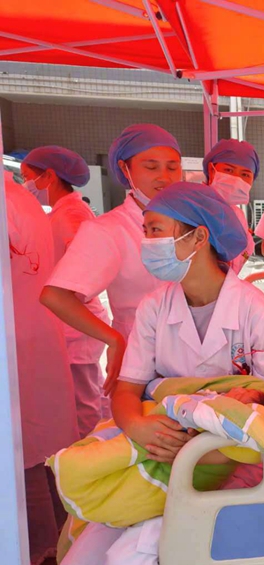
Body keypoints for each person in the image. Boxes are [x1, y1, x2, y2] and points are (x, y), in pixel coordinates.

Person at [57, 183, 264, 565]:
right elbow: (127, 389)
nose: (146, 242)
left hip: (223, 464)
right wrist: (136, 426)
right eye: (145, 231)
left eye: (155, 230)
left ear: (199, 237)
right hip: (154, 451)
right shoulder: (154, 308)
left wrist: (193, 450)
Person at [40, 124, 182, 397]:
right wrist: (113, 338)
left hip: (197, 356)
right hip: (142, 359)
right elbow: (55, 295)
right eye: (151, 167)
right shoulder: (109, 230)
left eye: (172, 167)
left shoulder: (189, 219)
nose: (164, 177)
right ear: (125, 169)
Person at [5, 172, 79, 565]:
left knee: (29, 447)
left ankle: (34, 553)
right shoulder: (22, 198)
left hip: (24, 336)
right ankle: (48, 541)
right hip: (37, 331)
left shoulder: (13, 201)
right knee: (37, 444)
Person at [22, 146, 112, 435]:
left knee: (85, 401)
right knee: (83, 395)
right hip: (69, 321)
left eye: (28, 177)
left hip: (77, 324)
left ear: (49, 176)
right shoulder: (61, 211)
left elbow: (87, 262)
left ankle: (88, 453)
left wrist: (69, 292)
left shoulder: (72, 213)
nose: (26, 185)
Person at [203, 139, 259, 274]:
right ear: (211, 170)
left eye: (245, 174)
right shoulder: (191, 208)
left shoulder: (238, 215)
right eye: (228, 170)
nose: (236, 179)